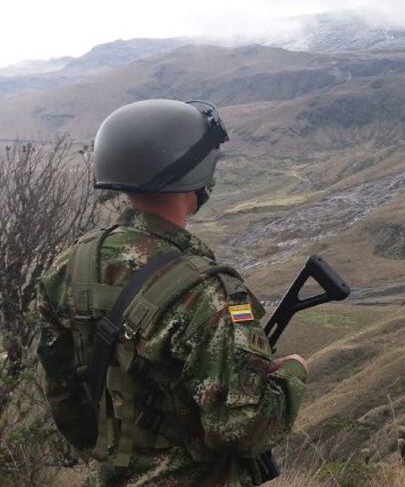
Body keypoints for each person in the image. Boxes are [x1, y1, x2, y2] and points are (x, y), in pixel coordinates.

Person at [36, 99, 308, 486]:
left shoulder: (69, 266)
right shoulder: (208, 293)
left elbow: (67, 403)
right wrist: (294, 374)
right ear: (194, 177)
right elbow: (243, 430)